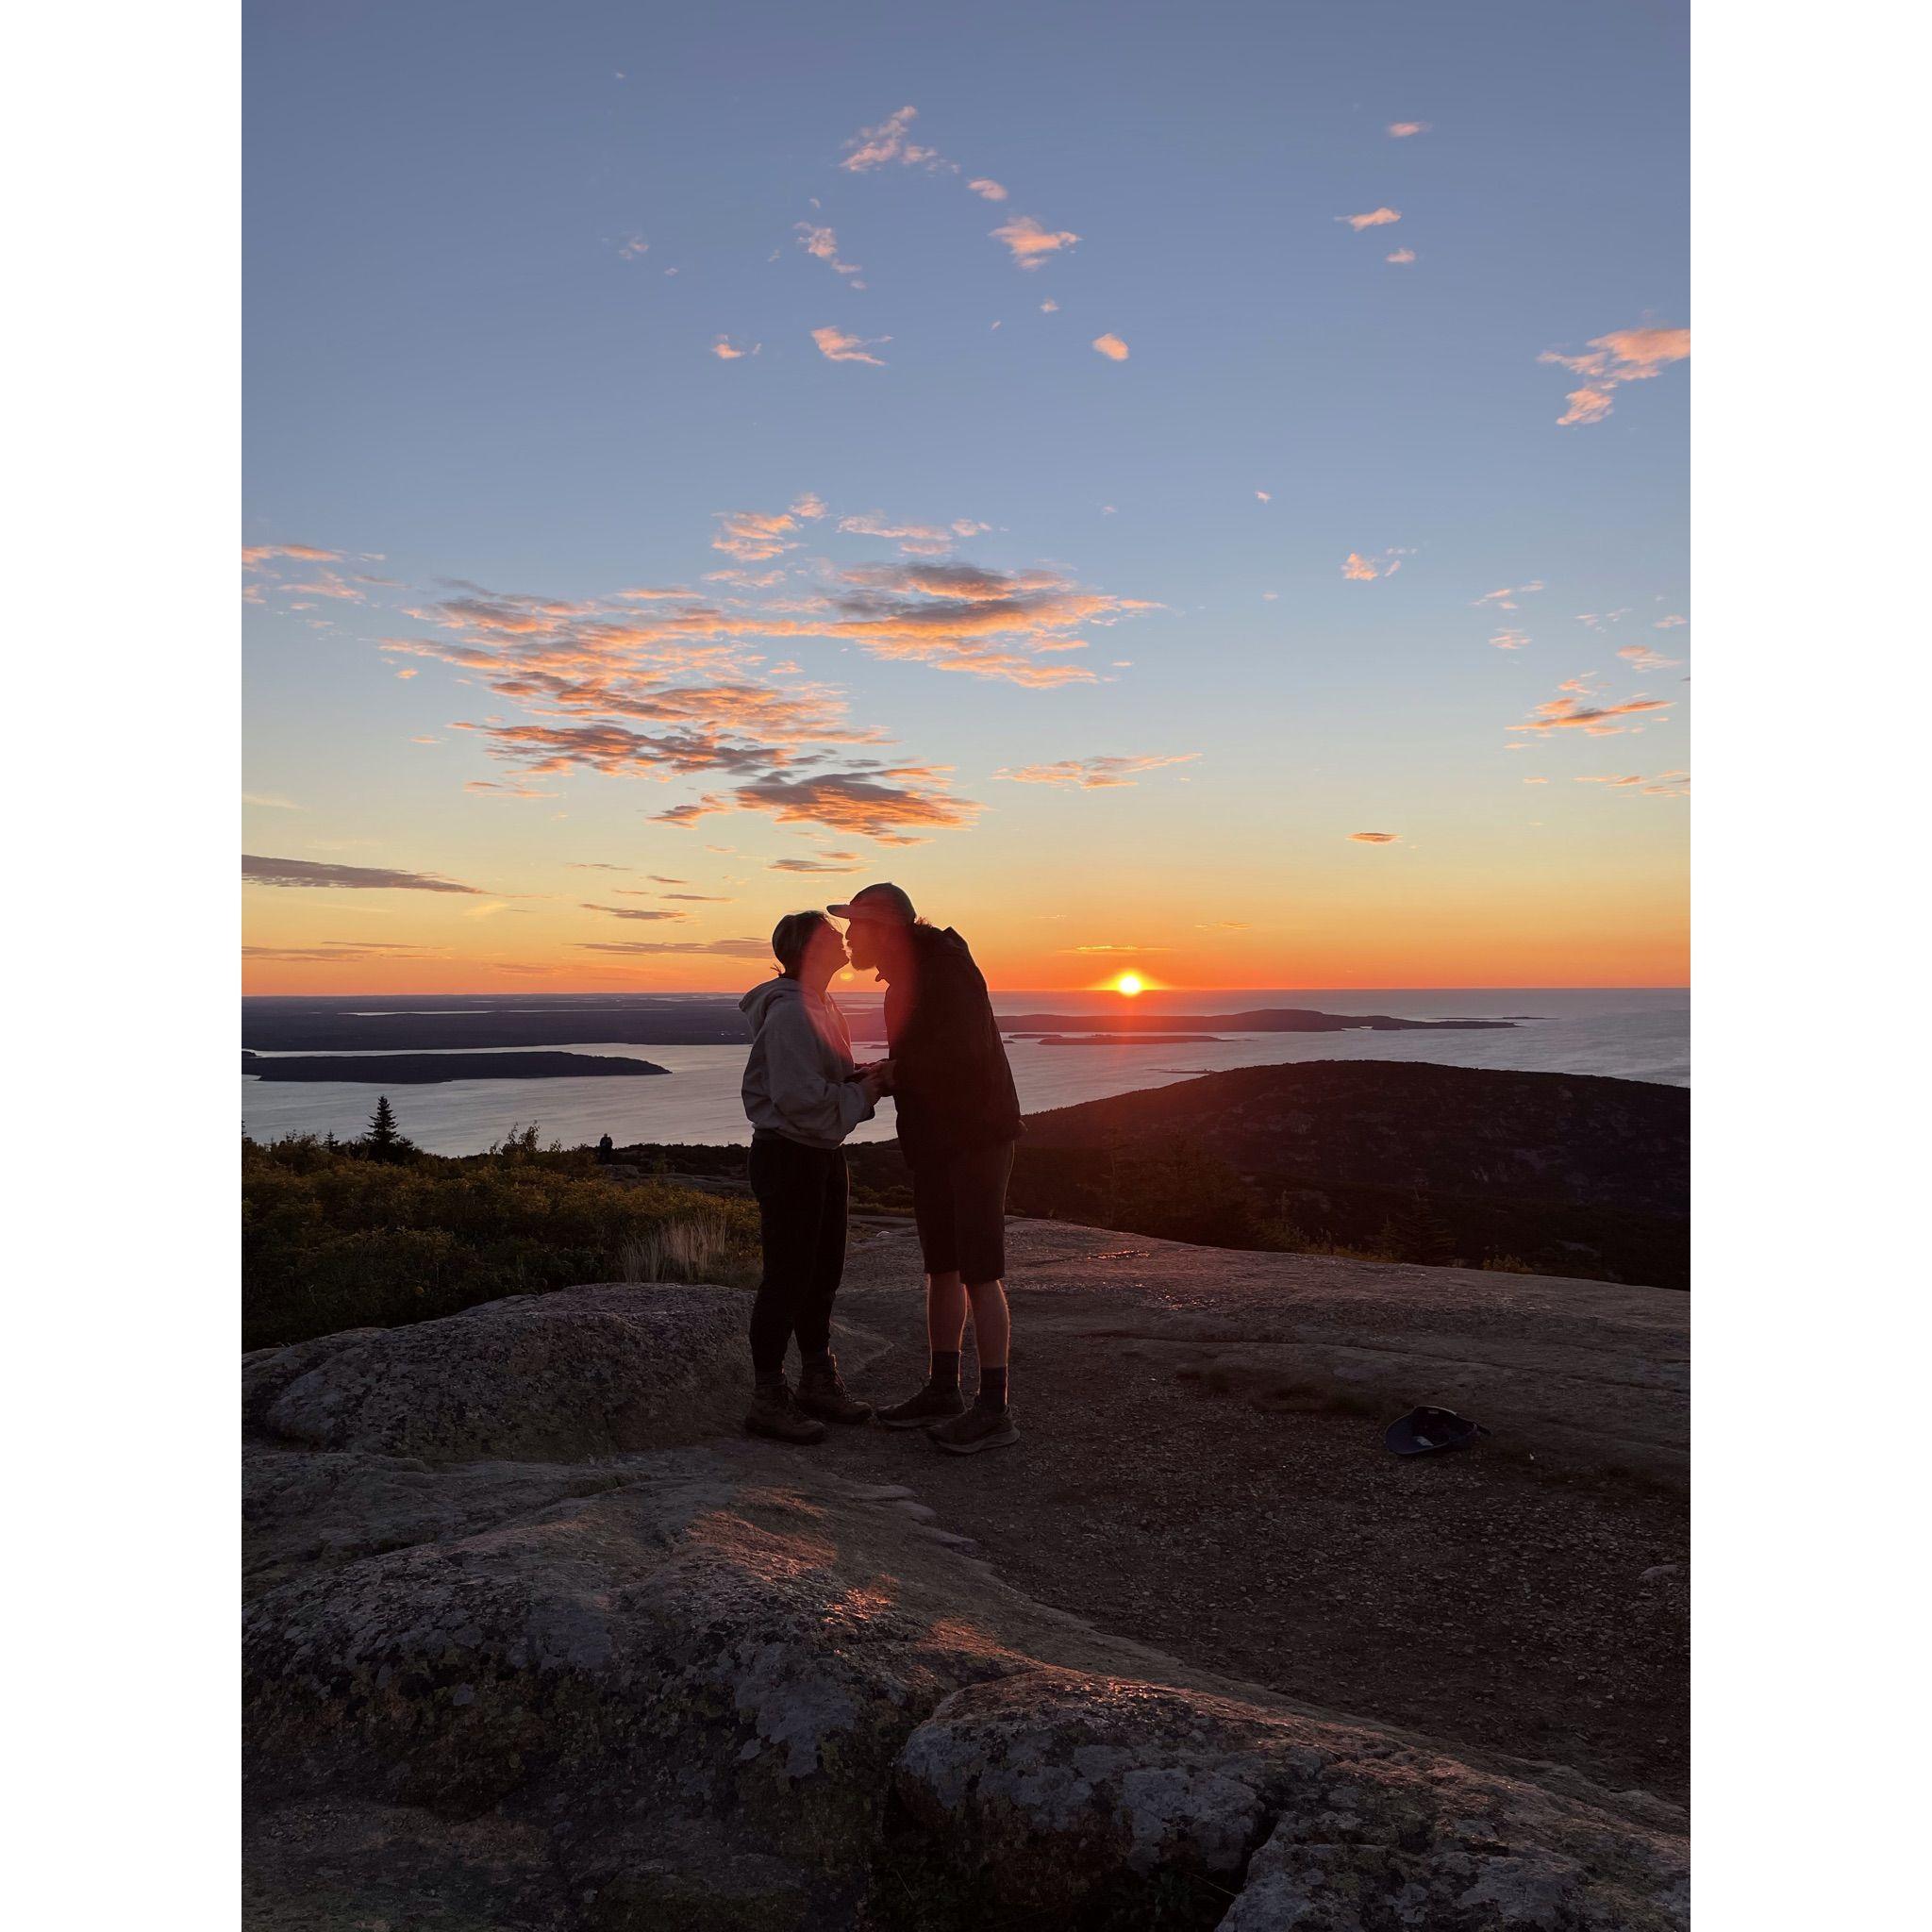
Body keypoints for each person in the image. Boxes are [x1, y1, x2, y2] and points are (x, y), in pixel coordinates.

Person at [830, 883, 1023, 1455]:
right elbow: (928, 1058)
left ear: (886, 928)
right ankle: (943, 1389)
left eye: (856, 925)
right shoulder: (911, 975)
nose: (848, 936)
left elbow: (961, 1056)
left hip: (976, 1138)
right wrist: (891, 1073)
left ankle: (995, 1410)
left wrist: (897, 1074)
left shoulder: (945, 972)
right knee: (942, 1265)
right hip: (938, 1141)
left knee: (980, 1270)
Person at [738, 911, 891, 1444]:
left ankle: (816, 1381)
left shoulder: (821, 1005)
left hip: (821, 1155)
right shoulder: (790, 1015)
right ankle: (767, 1398)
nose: (843, 939)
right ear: (807, 950)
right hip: (789, 1157)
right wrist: (864, 1092)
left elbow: (819, 1082)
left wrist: (861, 1078)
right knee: (787, 1278)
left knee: (822, 1274)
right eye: (831, 935)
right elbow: (799, 1099)